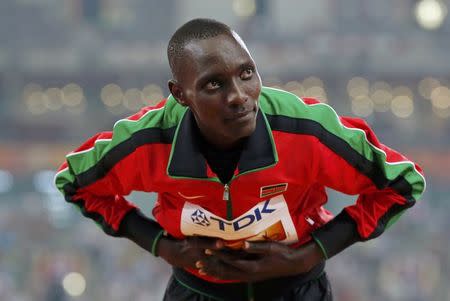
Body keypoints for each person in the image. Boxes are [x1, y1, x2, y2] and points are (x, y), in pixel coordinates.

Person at [54, 18, 426, 301]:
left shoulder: (306, 129)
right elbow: (74, 181)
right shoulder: (148, 140)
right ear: (180, 94)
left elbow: (402, 184)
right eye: (213, 84)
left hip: (298, 290)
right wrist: (162, 246)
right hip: (196, 291)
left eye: (247, 73)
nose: (239, 96)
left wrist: (310, 254)